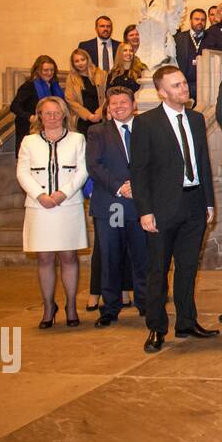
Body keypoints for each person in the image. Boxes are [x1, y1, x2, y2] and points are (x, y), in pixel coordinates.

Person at [130, 66, 217, 353]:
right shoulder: (146, 123)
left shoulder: (195, 118)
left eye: (183, 84)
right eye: (177, 86)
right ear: (162, 92)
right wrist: (145, 210)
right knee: (158, 270)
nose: (184, 89)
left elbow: (202, 162)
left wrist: (208, 202)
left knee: (188, 267)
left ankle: (186, 322)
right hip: (162, 208)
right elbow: (139, 172)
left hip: (194, 203)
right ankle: (156, 328)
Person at [18, 96, 89, 329]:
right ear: (39, 115)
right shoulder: (29, 142)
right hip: (39, 208)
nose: (52, 117)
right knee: (45, 258)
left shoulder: (78, 139)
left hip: (67, 205)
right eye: (47, 113)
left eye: (56, 113)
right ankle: (48, 306)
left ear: (64, 114)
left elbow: (82, 171)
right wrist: (40, 195)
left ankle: (70, 305)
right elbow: (23, 174)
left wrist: (62, 194)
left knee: (69, 257)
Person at [86, 87, 147, 325]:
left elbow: (155, 162)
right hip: (112, 205)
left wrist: (138, 186)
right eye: (114, 104)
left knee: (144, 257)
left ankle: (146, 304)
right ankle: (110, 308)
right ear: (108, 107)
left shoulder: (146, 129)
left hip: (141, 205)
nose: (119, 106)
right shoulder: (97, 132)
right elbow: (94, 165)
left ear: (134, 104)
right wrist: (121, 187)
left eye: (124, 102)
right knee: (110, 257)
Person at [11, 55, 64, 152]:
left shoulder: (55, 86)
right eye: (46, 70)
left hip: (49, 128)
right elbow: (14, 106)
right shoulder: (29, 85)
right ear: (38, 70)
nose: (49, 73)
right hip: (30, 128)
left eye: (52, 70)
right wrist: (30, 117)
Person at [64, 48, 104, 137]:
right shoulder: (71, 78)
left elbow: (108, 95)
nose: (80, 63)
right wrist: (88, 115)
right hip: (82, 119)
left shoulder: (101, 74)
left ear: (88, 60)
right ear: (73, 64)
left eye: (83, 59)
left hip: (101, 117)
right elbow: (70, 100)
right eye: (77, 61)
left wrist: (100, 113)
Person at [173, 8, 208, 101]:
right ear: (190, 20)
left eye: (203, 20)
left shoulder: (211, 37)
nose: (200, 22)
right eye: (197, 19)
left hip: (205, 86)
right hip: (183, 84)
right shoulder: (179, 38)